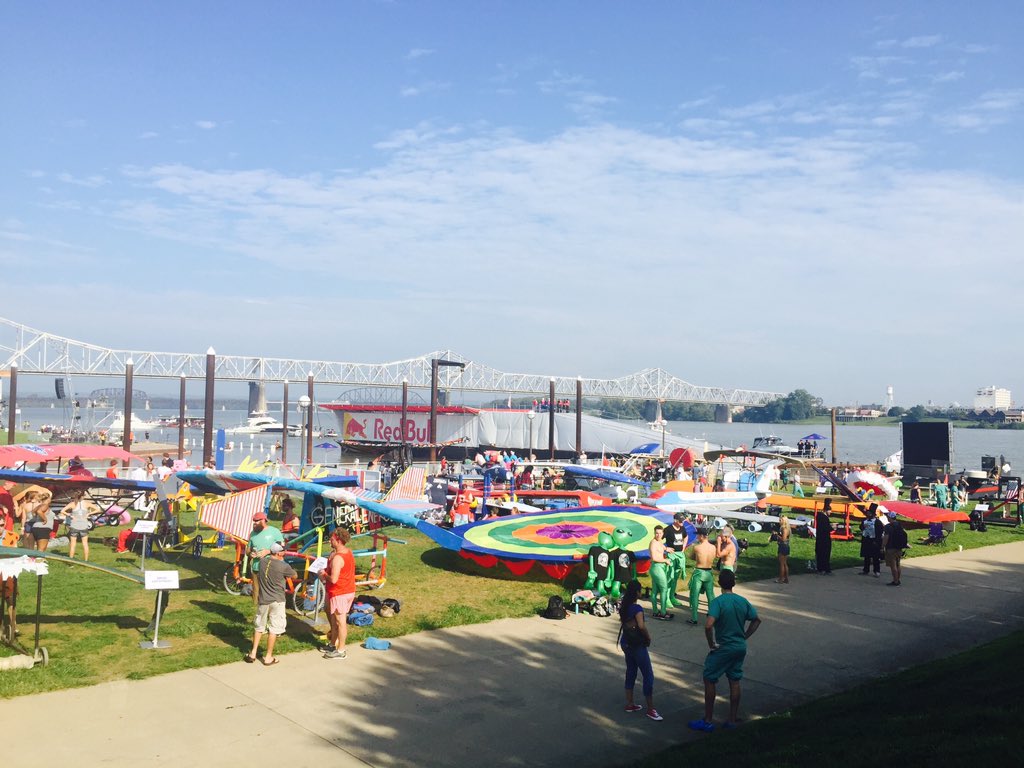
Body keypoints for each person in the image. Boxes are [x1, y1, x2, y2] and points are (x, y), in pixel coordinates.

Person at [688, 569, 761, 732]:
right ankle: (732, 719)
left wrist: (711, 643)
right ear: (733, 583)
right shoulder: (742, 601)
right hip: (739, 647)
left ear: (719, 583)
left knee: (709, 678)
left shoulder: (718, 602)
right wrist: (744, 636)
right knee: (734, 680)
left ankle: (707, 720)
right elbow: (756, 620)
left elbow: (708, 625)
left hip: (724, 647)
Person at [245, 542, 297, 665]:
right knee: (274, 629)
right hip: (277, 600)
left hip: (263, 600)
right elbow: (294, 575)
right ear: (279, 553)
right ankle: (268, 657)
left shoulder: (262, 562)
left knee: (259, 626)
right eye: (283, 551)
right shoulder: (283, 566)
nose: (284, 552)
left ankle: (253, 653)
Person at [617, 579, 661, 721]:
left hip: (626, 642)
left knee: (631, 671)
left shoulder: (624, 606)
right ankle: (650, 708)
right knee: (648, 674)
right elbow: (641, 626)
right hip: (636, 644)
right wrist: (648, 638)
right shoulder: (637, 609)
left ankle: (630, 703)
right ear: (637, 592)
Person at [321, 528, 356, 659]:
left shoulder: (338, 558)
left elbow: (334, 579)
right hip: (348, 590)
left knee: (341, 621)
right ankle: (333, 644)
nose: (330, 540)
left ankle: (341, 651)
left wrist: (324, 574)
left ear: (339, 540)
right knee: (338, 620)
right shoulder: (348, 552)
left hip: (339, 592)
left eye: (332, 539)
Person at [248, 511, 285, 604]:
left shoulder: (274, 532)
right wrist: (250, 553)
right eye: (254, 521)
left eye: (257, 520)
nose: (255, 523)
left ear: (264, 520)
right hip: (256, 568)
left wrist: (268, 551)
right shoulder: (253, 533)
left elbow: (282, 549)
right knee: (256, 594)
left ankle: (271, 615)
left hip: (271, 568)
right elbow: (247, 550)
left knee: (270, 594)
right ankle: (257, 615)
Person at [687, 528, 717, 625]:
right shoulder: (713, 547)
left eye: (698, 535)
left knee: (695, 595)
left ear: (701, 536)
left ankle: (694, 618)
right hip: (708, 572)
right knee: (710, 595)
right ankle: (713, 616)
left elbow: (691, 557)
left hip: (699, 572)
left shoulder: (697, 547)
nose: (696, 537)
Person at [61, 490, 99, 561]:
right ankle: (86, 560)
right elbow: (97, 509)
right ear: (83, 496)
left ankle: (71, 560)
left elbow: (62, 511)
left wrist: (70, 515)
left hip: (74, 525)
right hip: (84, 525)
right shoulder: (87, 503)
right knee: (85, 544)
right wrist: (88, 514)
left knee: (73, 544)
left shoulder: (72, 504)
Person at [662, 512, 689, 608]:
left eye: (683, 521)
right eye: (681, 521)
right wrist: (665, 549)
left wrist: (683, 547)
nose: (682, 523)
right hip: (671, 556)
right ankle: (666, 598)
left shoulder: (682, 528)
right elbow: (657, 540)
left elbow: (686, 537)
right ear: (675, 520)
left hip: (679, 556)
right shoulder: (668, 529)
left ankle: (672, 596)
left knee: (675, 578)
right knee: (670, 577)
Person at [647, 526, 673, 620]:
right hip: (656, 567)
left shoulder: (659, 542)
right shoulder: (653, 543)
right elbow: (654, 558)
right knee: (664, 589)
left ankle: (655, 611)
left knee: (654, 590)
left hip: (658, 567)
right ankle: (663, 612)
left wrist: (667, 549)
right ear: (654, 533)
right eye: (657, 533)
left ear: (663, 533)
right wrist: (665, 560)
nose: (658, 535)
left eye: (660, 533)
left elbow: (662, 547)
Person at [882, 512, 908, 586]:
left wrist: (882, 546)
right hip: (899, 548)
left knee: (893, 565)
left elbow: (886, 538)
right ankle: (898, 579)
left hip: (890, 547)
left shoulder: (887, 527)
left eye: (888, 517)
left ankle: (895, 581)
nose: (887, 518)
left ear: (890, 518)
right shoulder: (899, 525)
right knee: (898, 564)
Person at [859, 504, 882, 577]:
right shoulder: (865, 521)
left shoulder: (877, 522)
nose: (868, 514)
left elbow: (880, 531)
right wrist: (863, 527)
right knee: (867, 556)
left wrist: (877, 541)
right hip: (866, 540)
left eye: (869, 513)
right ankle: (866, 570)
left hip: (874, 541)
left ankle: (876, 571)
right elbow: (861, 528)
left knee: (875, 557)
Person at [815, 499, 833, 574]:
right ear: (826, 510)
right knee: (825, 554)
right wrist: (832, 528)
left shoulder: (818, 516)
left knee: (819, 553)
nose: (830, 512)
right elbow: (826, 529)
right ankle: (825, 568)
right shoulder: (825, 518)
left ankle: (820, 568)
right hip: (825, 538)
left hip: (819, 538)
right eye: (830, 511)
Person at [775, 516, 791, 584]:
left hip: (783, 546)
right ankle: (786, 579)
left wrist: (776, 535)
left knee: (782, 564)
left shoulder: (784, 529)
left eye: (780, 520)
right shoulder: (787, 529)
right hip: (786, 546)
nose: (779, 521)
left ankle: (781, 579)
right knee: (784, 563)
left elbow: (783, 539)